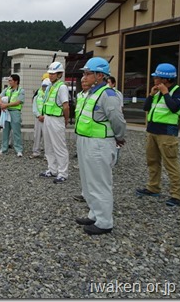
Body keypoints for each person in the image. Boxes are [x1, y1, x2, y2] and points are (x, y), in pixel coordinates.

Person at [75, 57, 126, 235]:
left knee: (100, 182)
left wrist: (119, 137)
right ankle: (94, 213)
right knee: (88, 181)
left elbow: (117, 120)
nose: (84, 77)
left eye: (88, 74)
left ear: (100, 75)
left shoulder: (107, 94)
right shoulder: (91, 93)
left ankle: (104, 221)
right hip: (86, 140)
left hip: (98, 144)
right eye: (84, 73)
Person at [136, 63, 180, 207]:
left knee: (171, 163)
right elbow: (146, 108)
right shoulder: (156, 92)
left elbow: (174, 108)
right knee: (152, 161)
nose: (154, 79)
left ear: (165, 79)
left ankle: (177, 195)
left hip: (167, 133)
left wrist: (165, 93)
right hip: (152, 131)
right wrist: (151, 95)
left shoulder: (178, 91)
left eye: (156, 77)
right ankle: (153, 187)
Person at [39, 61, 70, 183]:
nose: (51, 75)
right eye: (50, 73)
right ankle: (52, 170)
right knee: (48, 146)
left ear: (59, 74)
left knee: (59, 147)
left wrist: (65, 120)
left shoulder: (61, 87)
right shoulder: (51, 87)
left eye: (54, 73)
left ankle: (63, 173)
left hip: (57, 119)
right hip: (48, 118)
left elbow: (66, 106)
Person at [72, 76, 92, 203]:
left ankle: (92, 197)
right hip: (81, 132)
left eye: (86, 80)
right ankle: (85, 193)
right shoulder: (80, 95)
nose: (83, 82)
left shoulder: (97, 95)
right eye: (82, 81)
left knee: (92, 168)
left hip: (93, 135)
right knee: (84, 167)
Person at [0, 74, 24, 157]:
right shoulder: (7, 89)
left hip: (15, 112)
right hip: (6, 112)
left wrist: (6, 105)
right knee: (5, 131)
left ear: (16, 81)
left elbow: (18, 102)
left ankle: (18, 150)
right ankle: (4, 148)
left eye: (10, 80)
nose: (9, 82)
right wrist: (1, 104)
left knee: (16, 131)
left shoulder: (21, 90)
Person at [30, 78, 50, 159]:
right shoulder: (37, 96)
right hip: (38, 118)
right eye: (43, 86)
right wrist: (39, 115)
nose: (44, 88)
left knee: (47, 137)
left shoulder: (50, 96)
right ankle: (36, 152)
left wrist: (45, 116)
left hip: (47, 119)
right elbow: (34, 107)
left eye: (46, 86)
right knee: (37, 135)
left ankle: (47, 154)